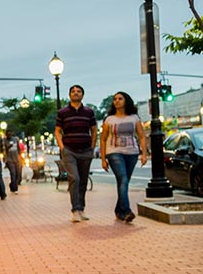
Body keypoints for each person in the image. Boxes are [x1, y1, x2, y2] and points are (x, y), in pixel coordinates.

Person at [100, 91, 148, 223]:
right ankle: (126, 211)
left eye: (120, 98)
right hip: (114, 152)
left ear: (126, 101)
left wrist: (144, 154)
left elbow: (142, 136)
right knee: (123, 179)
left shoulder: (134, 118)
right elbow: (103, 140)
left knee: (124, 182)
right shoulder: (109, 120)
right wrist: (103, 159)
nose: (117, 101)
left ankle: (119, 210)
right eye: (115, 99)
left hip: (132, 153)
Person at [55, 85, 97, 222]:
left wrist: (92, 147)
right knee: (75, 178)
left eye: (78, 91)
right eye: (73, 91)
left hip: (86, 151)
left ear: (82, 95)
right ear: (69, 95)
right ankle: (75, 209)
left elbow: (94, 130)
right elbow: (57, 131)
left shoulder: (89, 112)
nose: (76, 93)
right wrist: (62, 147)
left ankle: (82, 208)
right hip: (70, 150)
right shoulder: (63, 112)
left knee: (83, 181)